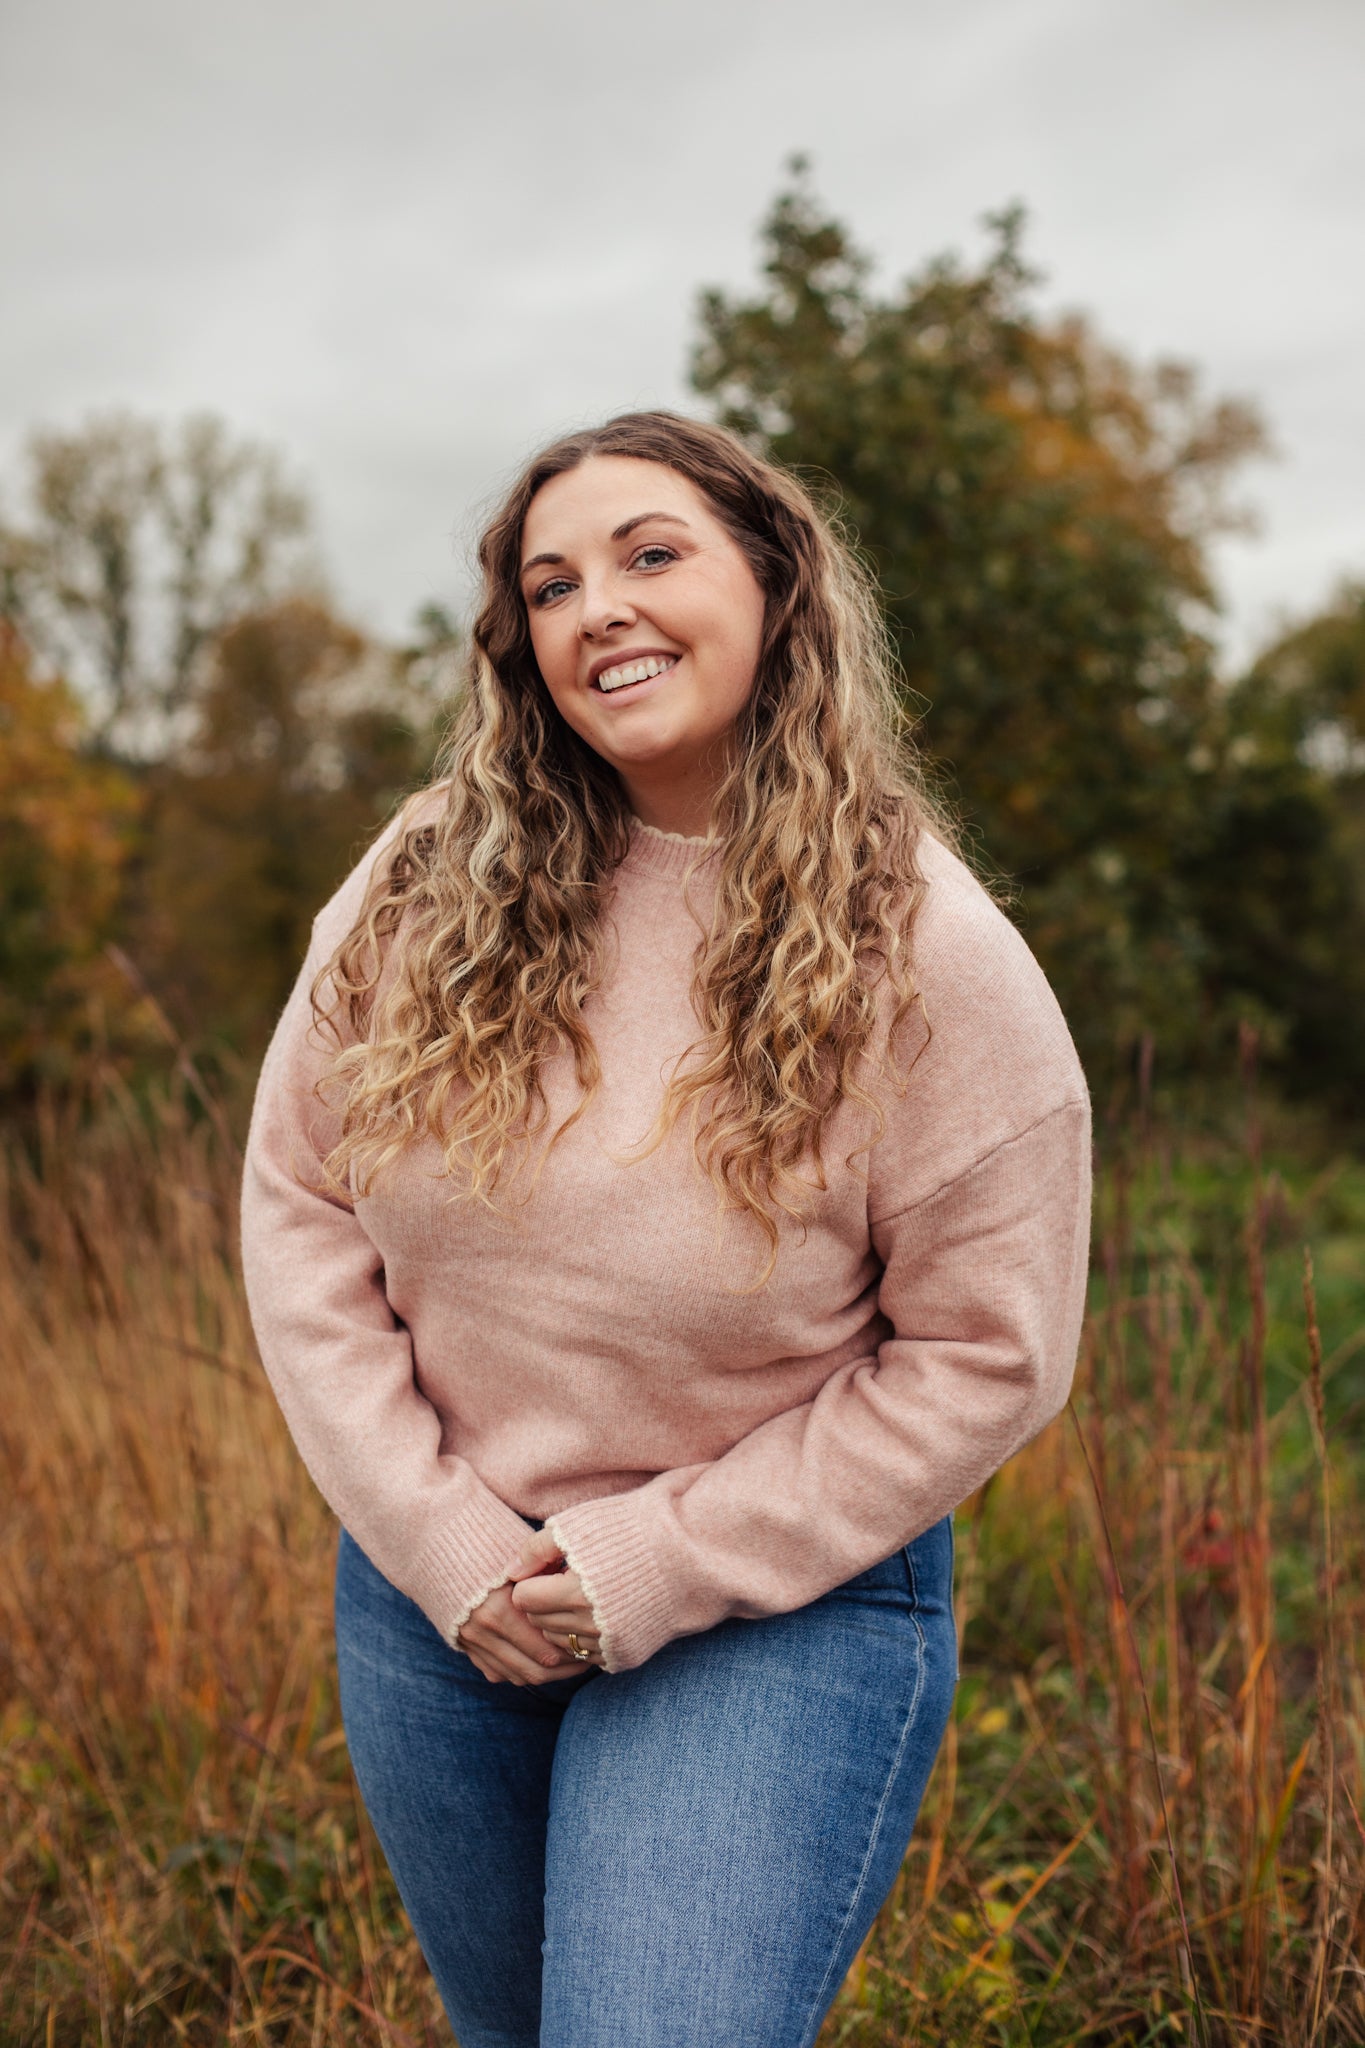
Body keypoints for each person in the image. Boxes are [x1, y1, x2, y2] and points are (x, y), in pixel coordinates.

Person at [239, 411, 1091, 2048]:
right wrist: (447, 1544)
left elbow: (987, 1354)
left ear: (774, 586)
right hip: (440, 1589)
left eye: (649, 555)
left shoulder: (925, 953)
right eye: (550, 586)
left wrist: (646, 1562)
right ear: (520, 649)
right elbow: (298, 1200)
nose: (597, 608)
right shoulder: (428, 883)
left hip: (777, 1602)